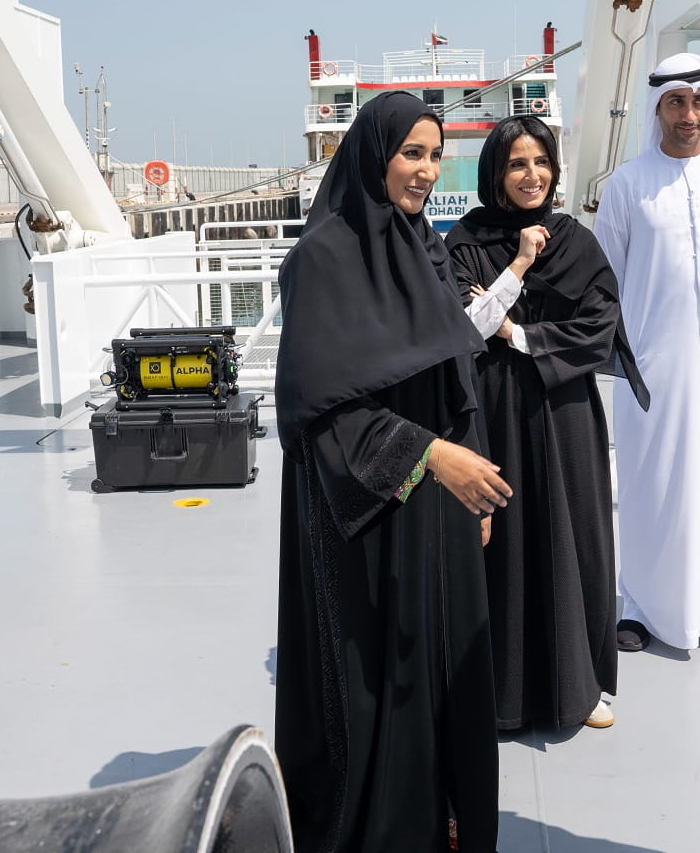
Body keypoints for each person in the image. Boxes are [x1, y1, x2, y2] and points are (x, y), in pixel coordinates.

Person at [272, 91, 506, 853]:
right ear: (373, 157)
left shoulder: (426, 248)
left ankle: (441, 822)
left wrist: (474, 487)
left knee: (443, 667)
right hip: (366, 513)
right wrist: (432, 458)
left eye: (436, 155)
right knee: (376, 677)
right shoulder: (321, 261)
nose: (428, 170)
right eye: (412, 153)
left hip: (443, 503)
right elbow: (320, 413)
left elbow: (454, 371)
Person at [445, 115, 649, 732]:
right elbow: (467, 327)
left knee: (572, 537)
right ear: (495, 173)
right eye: (516, 164)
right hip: (494, 410)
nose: (531, 175)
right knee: (502, 542)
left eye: (541, 162)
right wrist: (519, 264)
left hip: (563, 413)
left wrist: (518, 332)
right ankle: (499, 694)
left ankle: (576, 687)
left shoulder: (577, 242)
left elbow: (598, 328)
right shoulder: (466, 240)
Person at [593, 54, 700, 652]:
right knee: (653, 486)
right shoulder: (626, 185)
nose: (688, 114)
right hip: (653, 372)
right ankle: (644, 607)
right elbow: (604, 285)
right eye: (676, 103)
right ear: (658, 108)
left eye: (698, 101)